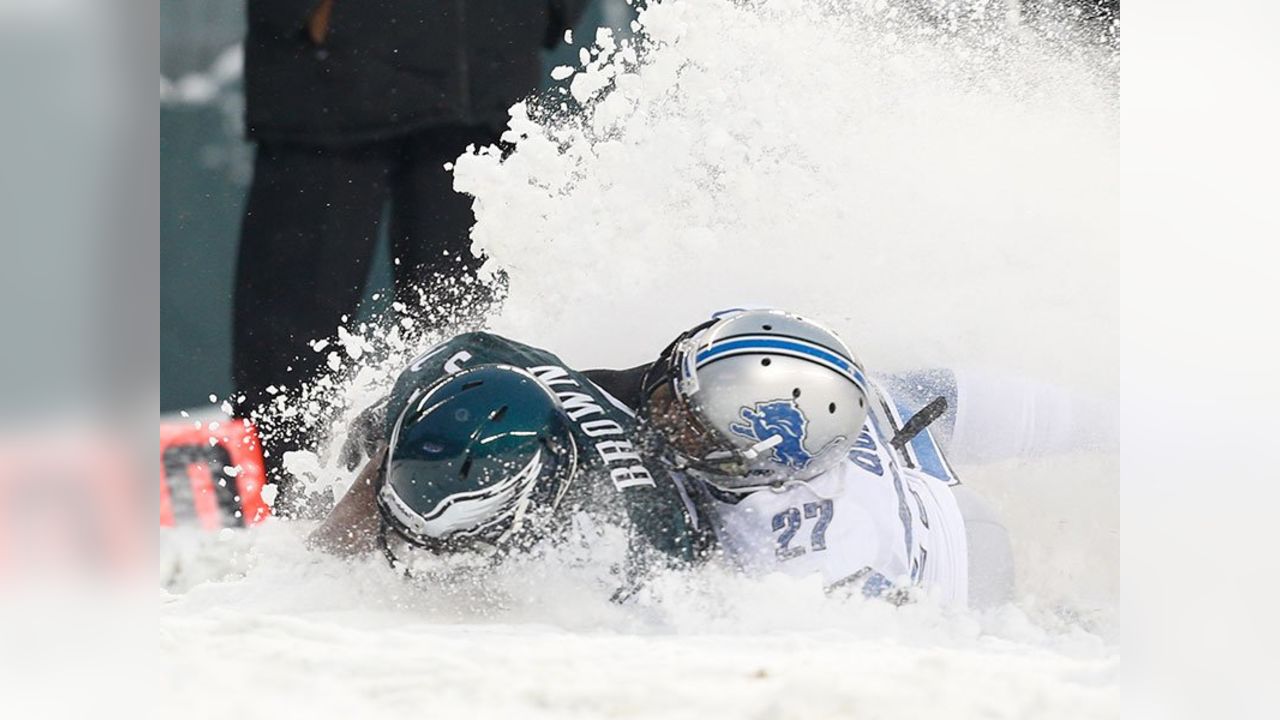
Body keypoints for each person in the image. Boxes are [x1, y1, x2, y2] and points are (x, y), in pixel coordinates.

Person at [233, 1, 589, 491]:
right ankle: (272, 512)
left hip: (485, 70)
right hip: (329, 81)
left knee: (465, 325)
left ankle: (462, 495)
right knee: (292, 332)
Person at [585, 308, 1096, 608]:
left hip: (950, 575)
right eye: (676, 398)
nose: (663, 418)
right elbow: (1055, 417)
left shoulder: (797, 539)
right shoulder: (826, 379)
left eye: (690, 426)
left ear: (761, 470)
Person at [310, 332, 713, 592]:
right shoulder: (436, 380)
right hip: (509, 373)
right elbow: (332, 544)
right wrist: (320, 563)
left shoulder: (651, 532)